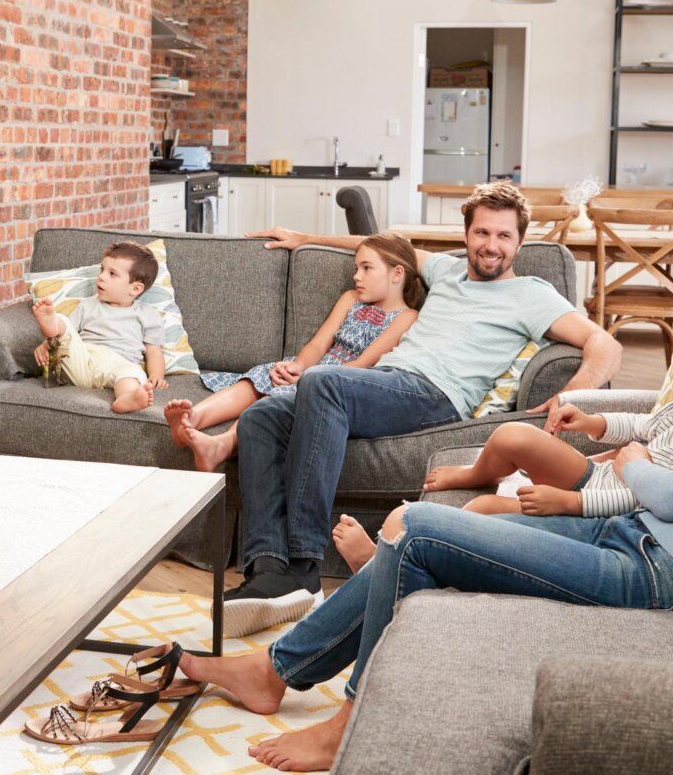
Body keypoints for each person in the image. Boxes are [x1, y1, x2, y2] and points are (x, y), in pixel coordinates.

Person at [177, 224, 673, 772]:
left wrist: (632, 465)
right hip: (639, 540)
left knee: (421, 534)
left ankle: (347, 715)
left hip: (664, 573)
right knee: (428, 541)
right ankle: (277, 671)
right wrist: (630, 461)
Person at [223, 181, 623, 637]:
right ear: (466, 234)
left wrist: (572, 393)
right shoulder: (446, 270)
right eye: (482, 233)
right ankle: (268, 569)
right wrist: (304, 237)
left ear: (519, 241)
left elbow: (604, 343)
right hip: (380, 385)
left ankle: (303, 566)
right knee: (260, 417)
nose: (491, 245)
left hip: (434, 395)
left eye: (504, 236)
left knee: (322, 382)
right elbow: (379, 246)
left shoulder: (533, 294)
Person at [331, 334, 673, 570]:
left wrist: (569, 503)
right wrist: (594, 424)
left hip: (597, 510)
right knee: (515, 436)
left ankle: (379, 564)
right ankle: (478, 471)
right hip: (591, 478)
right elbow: (640, 425)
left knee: (485, 510)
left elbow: (642, 501)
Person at [165, 232, 424, 472]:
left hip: (340, 381)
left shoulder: (407, 317)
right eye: (357, 268)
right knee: (263, 375)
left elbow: (363, 364)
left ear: (396, 273)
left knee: (281, 395)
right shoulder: (350, 298)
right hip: (314, 367)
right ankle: (193, 419)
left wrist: (308, 378)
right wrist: (297, 367)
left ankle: (220, 445)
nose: (357, 276)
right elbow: (318, 345)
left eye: (366, 268)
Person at [31, 242, 168, 414]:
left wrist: (157, 375)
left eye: (112, 274)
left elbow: (154, 351)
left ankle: (126, 398)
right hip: (84, 360)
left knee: (133, 374)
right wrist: (46, 344)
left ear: (135, 289)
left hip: (119, 364)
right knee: (63, 323)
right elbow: (67, 337)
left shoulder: (147, 314)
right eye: (102, 269)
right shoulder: (87, 306)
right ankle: (51, 323)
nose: (101, 277)